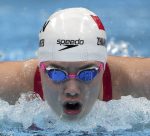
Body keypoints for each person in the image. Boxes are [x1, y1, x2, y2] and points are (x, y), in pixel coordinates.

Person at [0, 8, 150, 120]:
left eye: (87, 73)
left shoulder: (137, 81)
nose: (72, 90)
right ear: (40, 68)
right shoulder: (10, 83)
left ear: (103, 68)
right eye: (56, 73)